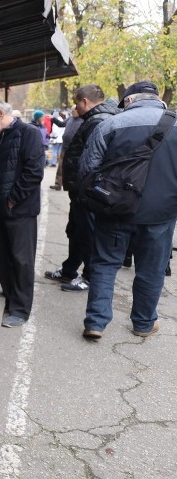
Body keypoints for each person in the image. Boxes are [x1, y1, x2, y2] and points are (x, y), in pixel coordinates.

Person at [77, 80, 177, 340]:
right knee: (151, 270)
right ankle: (143, 323)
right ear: (158, 100)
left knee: (105, 264)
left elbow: (87, 170)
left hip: (115, 209)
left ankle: (96, 322)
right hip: (161, 214)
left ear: (130, 101)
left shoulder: (110, 125)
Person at [44, 84, 119, 292]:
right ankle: (70, 269)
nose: (75, 107)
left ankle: (89, 276)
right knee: (76, 231)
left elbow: (95, 159)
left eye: (77, 103)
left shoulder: (98, 121)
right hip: (80, 188)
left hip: (87, 190)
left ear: (85, 102)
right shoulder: (95, 119)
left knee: (86, 233)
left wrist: (86, 187)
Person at [0, 99, 45, 328]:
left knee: (21, 260)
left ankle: (20, 308)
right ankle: (10, 295)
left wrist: (12, 200)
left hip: (19, 212)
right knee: (2, 257)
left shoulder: (29, 133)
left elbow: (33, 173)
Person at [50, 106, 82, 191]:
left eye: (73, 110)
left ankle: (73, 185)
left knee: (74, 168)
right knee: (61, 166)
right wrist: (53, 119)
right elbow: (61, 124)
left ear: (78, 110)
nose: (72, 112)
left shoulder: (83, 120)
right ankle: (58, 184)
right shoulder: (70, 119)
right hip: (65, 147)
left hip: (75, 148)